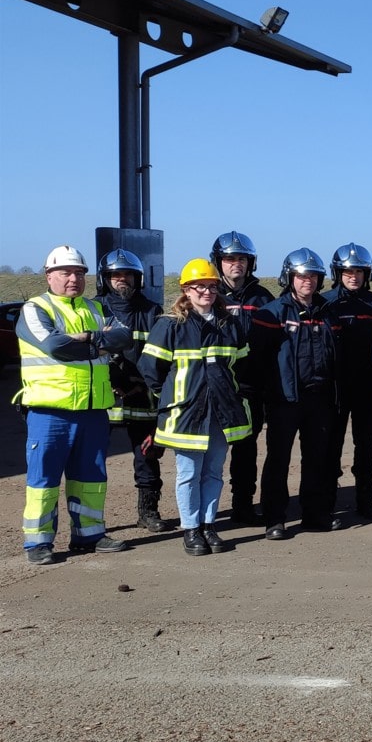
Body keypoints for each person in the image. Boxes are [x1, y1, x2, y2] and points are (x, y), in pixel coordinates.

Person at [17, 245, 133, 564]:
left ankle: (89, 535)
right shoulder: (35, 308)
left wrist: (87, 338)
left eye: (79, 273)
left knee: (91, 478)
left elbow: (124, 337)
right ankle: (38, 542)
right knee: (44, 481)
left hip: (93, 411)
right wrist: (100, 342)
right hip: (50, 411)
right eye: (66, 272)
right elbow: (56, 346)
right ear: (49, 276)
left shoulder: (96, 308)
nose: (73, 279)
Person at [140, 259, 252, 557]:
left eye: (212, 286)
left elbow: (243, 368)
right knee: (189, 473)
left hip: (221, 413)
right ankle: (191, 529)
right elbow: (150, 369)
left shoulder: (229, 324)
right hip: (186, 413)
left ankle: (208, 524)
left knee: (214, 472)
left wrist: (233, 394)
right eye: (199, 286)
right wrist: (171, 397)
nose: (207, 292)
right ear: (186, 290)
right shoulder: (170, 325)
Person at [250, 249, 338, 539]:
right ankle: (274, 518)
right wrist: (267, 393)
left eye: (313, 276)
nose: (307, 281)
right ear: (289, 278)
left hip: (319, 397)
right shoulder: (272, 313)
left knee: (316, 458)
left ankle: (313, 514)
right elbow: (258, 359)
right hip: (284, 399)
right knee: (278, 459)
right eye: (301, 276)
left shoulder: (327, 312)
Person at [95, 248, 174, 533]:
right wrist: (114, 379)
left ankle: (148, 512)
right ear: (105, 279)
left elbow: (162, 356)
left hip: (142, 397)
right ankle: (92, 520)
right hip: (106, 397)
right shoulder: (94, 309)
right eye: (115, 275)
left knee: (147, 457)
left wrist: (142, 384)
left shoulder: (152, 311)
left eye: (128, 274)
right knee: (92, 461)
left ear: (137, 278)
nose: (122, 279)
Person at [211, 231, 275, 524]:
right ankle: (204, 512)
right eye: (229, 258)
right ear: (218, 262)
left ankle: (243, 505)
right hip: (215, 387)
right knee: (209, 451)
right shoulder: (209, 294)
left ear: (251, 263)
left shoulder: (263, 298)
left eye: (242, 258)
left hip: (251, 387)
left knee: (246, 450)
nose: (236, 263)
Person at [324, 243, 372, 522]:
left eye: (359, 272)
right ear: (337, 273)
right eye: (348, 272)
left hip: (367, 386)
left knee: (366, 447)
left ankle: (366, 500)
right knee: (331, 446)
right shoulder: (325, 302)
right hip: (335, 388)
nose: (354, 276)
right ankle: (328, 502)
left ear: (367, 274)